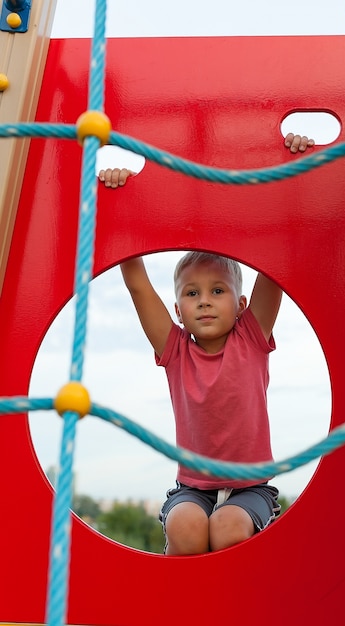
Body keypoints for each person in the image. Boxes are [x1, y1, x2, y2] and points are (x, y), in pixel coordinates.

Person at [99, 133, 314, 555]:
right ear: (178, 309)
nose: (205, 302)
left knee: (229, 529)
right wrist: (120, 199)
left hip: (251, 487)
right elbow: (139, 285)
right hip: (191, 489)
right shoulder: (176, 351)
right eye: (192, 294)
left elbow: (278, 264)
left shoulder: (251, 337)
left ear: (241, 304)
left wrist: (293, 173)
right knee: (187, 530)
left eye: (218, 291)